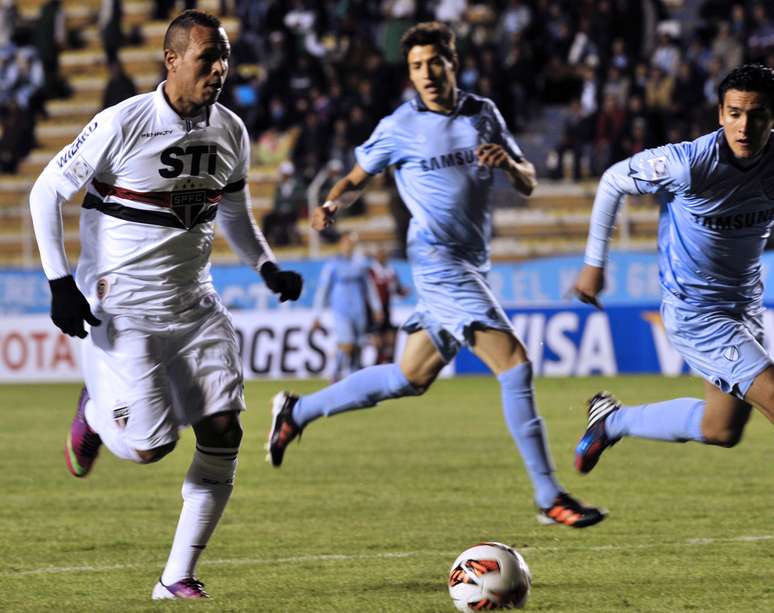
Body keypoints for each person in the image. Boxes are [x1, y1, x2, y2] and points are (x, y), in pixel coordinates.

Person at [266, 21, 606, 529]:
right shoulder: (399, 125)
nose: (425, 74)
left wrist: (510, 166)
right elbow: (357, 176)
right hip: (435, 261)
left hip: (472, 263)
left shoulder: (483, 114)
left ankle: (296, 412)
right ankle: (548, 495)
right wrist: (333, 202)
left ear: (453, 62)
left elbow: (529, 179)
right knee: (513, 363)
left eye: (434, 63)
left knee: (409, 377)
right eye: (416, 67)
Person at [28, 10, 302, 600]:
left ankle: (175, 577)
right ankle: (97, 416)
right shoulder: (121, 123)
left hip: (196, 303)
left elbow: (231, 209)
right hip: (123, 307)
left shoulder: (230, 130)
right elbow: (45, 188)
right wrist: (57, 281)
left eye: (225, 56)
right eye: (208, 57)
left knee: (224, 429)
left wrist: (266, 265)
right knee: (151, 448)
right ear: (172, 60)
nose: (221, 69)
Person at [572, 64, 774, 480]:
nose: (744, 126)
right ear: (720, 114)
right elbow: (612, 181)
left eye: (757, 115)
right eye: (735, 113)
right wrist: (594, 264)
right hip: (697, 313)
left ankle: (612, 421)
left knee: (720, 429)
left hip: (744, 306)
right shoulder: (688, 164)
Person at [312, 232, 382, 381]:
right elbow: (323, 290)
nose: (349, 246)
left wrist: (376, 307)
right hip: (341, 310)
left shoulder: (360, 264)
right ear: (340, 244)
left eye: (351, 243)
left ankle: (352, 376)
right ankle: (336, 373)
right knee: (347, 343)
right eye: (346, 242)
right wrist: (317, 315)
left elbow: (369, 287)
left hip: (359, 310)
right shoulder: (333, 264)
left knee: (358, 345)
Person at [368, 246, 409, 365]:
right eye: (380, 254)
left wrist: (403, 291)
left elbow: (397, 289)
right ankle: (376, 367)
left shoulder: (390, 271)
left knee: (391, 340)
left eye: (384, 255)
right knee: (378, 342)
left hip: (386, 310)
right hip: (373, 312)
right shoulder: (370, 272)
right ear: (375, 257)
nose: (382, 257)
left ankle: (388, 365)